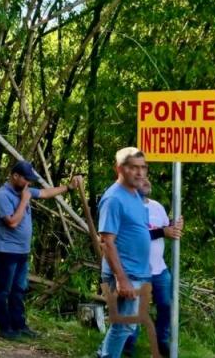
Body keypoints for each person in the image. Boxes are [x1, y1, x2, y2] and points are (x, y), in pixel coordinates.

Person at [0, 160, 83, 341]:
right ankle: (4, 327)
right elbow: (12, 222)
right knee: (4, 290)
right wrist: (25, 200)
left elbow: (45, 192)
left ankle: (20, 325)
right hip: (6, 251)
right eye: (26, 179)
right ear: (15, 176)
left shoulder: (23, 191)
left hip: (22, 252)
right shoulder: (2, 196)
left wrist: (69, 187)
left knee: (19, 289)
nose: (29, 184)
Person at [97, 147, 151, 358]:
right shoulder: (113, 199)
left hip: (136, 272)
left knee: (127, 325)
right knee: (124, 326)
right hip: (124, 274)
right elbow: (107, 242)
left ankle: (104, 352)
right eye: (133, 168)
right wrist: (122, 279)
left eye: (143, 168)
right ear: (119, 169)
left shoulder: (134, 194)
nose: (140, 173)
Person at [122, 177, 183, 358]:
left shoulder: (157, 206)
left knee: (166, 306)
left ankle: (161, 341)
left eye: (147, 179)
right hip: (137, 270)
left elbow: (166, 227)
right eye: (141, 180)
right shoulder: (128, 207)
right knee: (136, 310)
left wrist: (174, 225)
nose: (146, 182)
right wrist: (162, 232)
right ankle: (128, 344)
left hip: (159, 270)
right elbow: (134, 235)